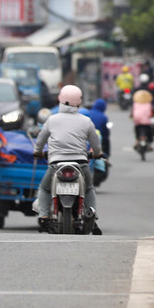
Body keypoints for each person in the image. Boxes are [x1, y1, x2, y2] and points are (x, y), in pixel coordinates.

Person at [32, 85, 101, 231]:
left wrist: (37, 151)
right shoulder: (86, 121)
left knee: (44, 188)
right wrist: (97, 153)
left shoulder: (52, 120)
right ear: (79, 101)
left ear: (60, 100)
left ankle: (44, 216)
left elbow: (41, 139)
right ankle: (92, 217)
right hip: (81, 164)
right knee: (88, 188)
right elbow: (95, 142)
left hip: (56, 164)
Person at [131, 84, 154, 149]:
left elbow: (133, 113)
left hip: (138, 122)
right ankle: (149, 144)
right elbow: (151, 113)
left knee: (136, 132)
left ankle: (136, 142)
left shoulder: (135, 104)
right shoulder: (148, 104)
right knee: (150, 133)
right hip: (146, 123)